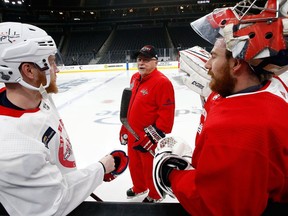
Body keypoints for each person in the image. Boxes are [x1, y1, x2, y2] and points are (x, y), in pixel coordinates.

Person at [152, 1, 288, 215]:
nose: (206, 65)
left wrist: (170, 174)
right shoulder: (272, 87)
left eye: (213, 56)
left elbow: (215, 205)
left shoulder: (234, 130)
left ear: (236, 65)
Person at [0, 22, 128, 216]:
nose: (57, 69)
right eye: (51, 62)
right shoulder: (13, 149)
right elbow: (56, 202)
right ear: (29, 71)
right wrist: (101, 168)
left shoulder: (38, 95)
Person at [119, 45, 175, 203]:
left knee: (149, 166)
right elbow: (129, 105)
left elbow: (167, 114)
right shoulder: (135, 78)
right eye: (139, 59)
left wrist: (153, 137)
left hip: (147, 136)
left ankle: (156, 194)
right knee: (135, 165)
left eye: (146, 60)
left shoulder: (162, 82)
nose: (141, 63)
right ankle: (139, 187)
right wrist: (124, 126)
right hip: (132, 131)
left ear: (156, 62)